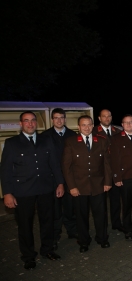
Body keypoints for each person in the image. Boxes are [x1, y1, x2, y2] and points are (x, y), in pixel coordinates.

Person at [1, 111, 64, 270]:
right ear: (20, 124)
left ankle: (47, 250)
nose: (30, 124)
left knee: (48, 222)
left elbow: (54, 164)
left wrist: (60, 183)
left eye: (33, 121)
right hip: (23, 191)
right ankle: (29, 257)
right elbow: (6, 170)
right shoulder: (12, 143)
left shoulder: (46, 140)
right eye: (26, 121)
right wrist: (7, 193)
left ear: (37, 123)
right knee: (25, 225)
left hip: (45, 188)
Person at [62, 115, 112, 253]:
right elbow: (66, 167)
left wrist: (108, 182)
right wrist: (71, 186)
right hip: (79, 187)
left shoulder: (101, 141)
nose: (87, 127)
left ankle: (102, 238)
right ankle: (84, 241)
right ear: (78, 127)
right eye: (83, 125)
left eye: (89, 124)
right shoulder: (71, 142)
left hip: (98, 185)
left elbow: (107, 164)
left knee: (101, 215)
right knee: (81, 216)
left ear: (93, 125)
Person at [42, 108, 78, 250]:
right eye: (56, 118)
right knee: (55, 210)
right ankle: (55, 235)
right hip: (52, 180)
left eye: (61, 117)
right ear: (52, 120)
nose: (59, 120)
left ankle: (72, 231)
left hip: (69, 178)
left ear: (65, 119)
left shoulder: (72, 135)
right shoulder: (45, 136)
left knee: (70, 207)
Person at [92, 109, 124, 233]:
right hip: (100, 172)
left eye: (109, 116)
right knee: (101, 203)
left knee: (116, 200)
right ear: (99, 118)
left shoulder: (118, 131)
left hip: (115, 171)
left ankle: (116, 223)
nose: (107, 118)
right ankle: (102, 226)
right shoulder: (94, 131)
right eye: (104, 116)